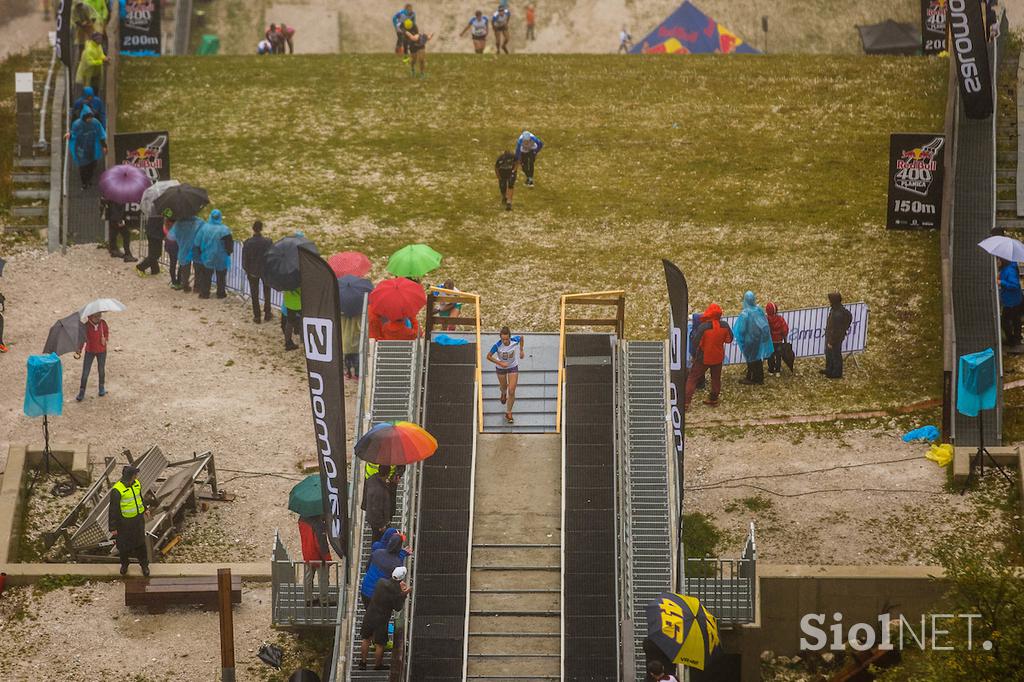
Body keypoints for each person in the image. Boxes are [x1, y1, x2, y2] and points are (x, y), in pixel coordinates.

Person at [359, 566, 411, 670]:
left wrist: (399, 589)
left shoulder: (380, 582)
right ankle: (377, 665)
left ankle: (363, 663)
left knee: (366, 639)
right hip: (381, 620)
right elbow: (397, 608)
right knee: (380, 643)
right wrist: (404, 594)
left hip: (370, 614)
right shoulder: (397, 593)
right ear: (402, 578)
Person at [684, 303, 733, 409]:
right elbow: (729, 339)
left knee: (692, 378)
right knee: (716, 379)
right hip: (718, 357)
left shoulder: (703, 327)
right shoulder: (724, 325)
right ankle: (713, 399)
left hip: (703, 357)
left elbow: (695, 342)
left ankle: (686, 403)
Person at [108, 465, 150, 576]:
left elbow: (139, 497)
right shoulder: (117, 490)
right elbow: (113, 509)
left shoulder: (136, 484)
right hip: (124, 522)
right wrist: (113, 527)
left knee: (141, 543)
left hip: (138, 520)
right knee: (123, 546)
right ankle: (124, 565)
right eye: (135, 474)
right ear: (131, 476)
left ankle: (144, 565)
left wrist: (145, 508)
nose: (137, 476)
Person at [360, 530, 409, 609]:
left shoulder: (377, 552)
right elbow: (394, 583)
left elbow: (367, 568)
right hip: (378, 595)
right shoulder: (397, 563)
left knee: (369, 614)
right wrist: (403, 553)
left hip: (365, 590)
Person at [733, 291, 773, 386]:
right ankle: (758, 377)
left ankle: (752, 378)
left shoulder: (745, 314)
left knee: (751, 359)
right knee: (757, 358)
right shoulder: (759, 310)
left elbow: (741, 329)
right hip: (758, 338)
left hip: (749, 340)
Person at [487, 326, 524, 424]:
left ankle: (509, 412)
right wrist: (500, 363)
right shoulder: (497, 345)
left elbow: (521, 337)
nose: (505, 341)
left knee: (511, 390)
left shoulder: (514, 340)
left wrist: (521, 350)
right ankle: (503, 393)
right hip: (501, 368)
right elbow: (488, 356)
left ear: (509, 337)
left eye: (507, 339)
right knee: (504, 387)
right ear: (500, 338)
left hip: (512, 366)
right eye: (503, 339)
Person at [194, 209, 233, 299]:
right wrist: (228, 252)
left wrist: (200, 252)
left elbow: (197, 242)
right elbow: (229, 245)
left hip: (207, 256)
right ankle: (220, 293)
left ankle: (204, 293)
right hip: (221, 257)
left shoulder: (204, 228)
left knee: (206, 276)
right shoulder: (225, 230)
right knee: (221, 276)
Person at [67, 106, 106, 190]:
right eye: (88, 118)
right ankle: (84, 182)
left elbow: (101, 134)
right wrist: (69, 136)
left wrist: (104, 146)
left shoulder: (95, 123)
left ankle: (89, 179)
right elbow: (73, 134)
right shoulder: (77, 124)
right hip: (81, 148)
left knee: (91, 165)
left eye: (91, 118)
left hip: (92, 147)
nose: (90, 120)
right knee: (83, 166)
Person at [243, 221, 274, 323]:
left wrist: (247, 270)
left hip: (252, 271)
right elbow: (272, 257)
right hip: (265, 271)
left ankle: (257, 316)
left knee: (254, 294)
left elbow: (244, 259)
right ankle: (267, 313)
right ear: (261, 228)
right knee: (267, 292)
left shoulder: (248, 243)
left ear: (253, 229)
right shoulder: (268, 242)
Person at [298, 514, 332, 605]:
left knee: (308, 577)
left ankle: (308, 598)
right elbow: (320, 544)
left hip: (307, 553)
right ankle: (324, 600)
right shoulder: (318, 524)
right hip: (318, 556)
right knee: (323, 578)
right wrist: (327, 558)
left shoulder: (301, 519)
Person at [74, 312, 109, 401]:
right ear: (90, 317)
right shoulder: (86, 327)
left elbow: (106, 333)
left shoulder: (103, 323)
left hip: (102, 351)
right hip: (89, 351)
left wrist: (105, 338)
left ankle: (101, 387)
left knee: (101, 369)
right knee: (85, 371)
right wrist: (79, 349)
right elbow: (82, 339)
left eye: (99, 316)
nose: (98, 318)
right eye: (96, 316)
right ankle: (82, 390)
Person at [168, 215, 203, 293]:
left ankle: (185, 287)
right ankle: (197, 287)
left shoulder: (178, 223)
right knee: (198, 268)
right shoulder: (199, 222)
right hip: (196, 247)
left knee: (185, 268)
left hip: (184, 247)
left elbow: (171, 236)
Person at [823, 292, 853, 379]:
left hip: (834, 337)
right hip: (835, 336)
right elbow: (849, 317)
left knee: (835, 354)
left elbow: (836, 330)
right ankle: (829, 369)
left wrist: (831, 341)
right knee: (830, 353)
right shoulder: (839, 310)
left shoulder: (837, 314)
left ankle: (836, 373)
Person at [362, 468, 392, 542]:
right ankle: (376, 551)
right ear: (386, 475)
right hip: (378, 522)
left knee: (376, 537)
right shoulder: (379, 491)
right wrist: (382, 525)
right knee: (378, 538)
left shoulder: (371, 479)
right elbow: (376, 510)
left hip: (371, 516)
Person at [999, 258, 1023, 349]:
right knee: (1016, 319)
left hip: (1011, 302)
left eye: (999, 259)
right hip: (1017, 299)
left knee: (1004, 321)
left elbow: (1015, 285)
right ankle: (1017, 338)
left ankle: (1011, 341)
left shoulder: (1009, 270)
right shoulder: (1011, 266)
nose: (998, 261)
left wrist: (1001, 282)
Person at [765, 302, 790, 376]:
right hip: (779, 341)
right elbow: (785, 329)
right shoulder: (780, 319)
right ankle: (778, 370)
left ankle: (771, 370)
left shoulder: (766, 319)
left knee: (770, 356)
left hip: (770, 341)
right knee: (778, 356)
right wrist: (783, 336)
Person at [687, 311, 705, 390]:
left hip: (697, 354)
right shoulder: (701, 330)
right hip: (699, 354)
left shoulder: (697, 332)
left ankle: (700, 383)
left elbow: (694, 344)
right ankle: (701, 381)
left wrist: (693, 353)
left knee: (697, 369)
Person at [341, 308, 361, 378]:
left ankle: (348, 373)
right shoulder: (357, 314)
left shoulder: (342, 314)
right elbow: (360, 327)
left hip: (345, 340)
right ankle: (357, 374)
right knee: (356, 359)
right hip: (355, 341)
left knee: (347, 359)